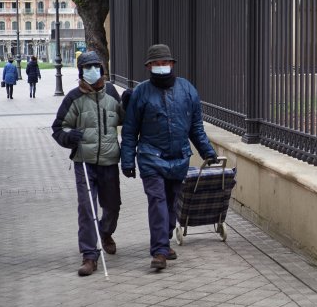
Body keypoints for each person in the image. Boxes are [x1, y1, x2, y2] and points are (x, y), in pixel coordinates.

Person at [121, 44, 218, 270]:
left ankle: (164, 241)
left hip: (179, 158)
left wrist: (208, 151)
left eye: (165, 63)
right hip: (150, 157)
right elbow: (130, 129)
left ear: (172, 64)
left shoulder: (187, 90)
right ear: (149, 67)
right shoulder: (141, 93)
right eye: (156, 64)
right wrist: (127, 160)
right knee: (157, 201)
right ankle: (160, 251)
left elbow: (196, 127)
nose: (161, 67)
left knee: (172, 202)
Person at [51, 51, 125, 276]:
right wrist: (68, 136)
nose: (92, 71)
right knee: (87, 207)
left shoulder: (112, 92)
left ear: (101, 70)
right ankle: (89, 255)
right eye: (87, 67)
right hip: (84, 162)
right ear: (81, 72)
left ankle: (105, 232)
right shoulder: (73, 98)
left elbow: (125, 119)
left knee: (112, 205)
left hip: (110, 161)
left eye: (95, 66)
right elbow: (58, 128)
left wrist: (130, 104)